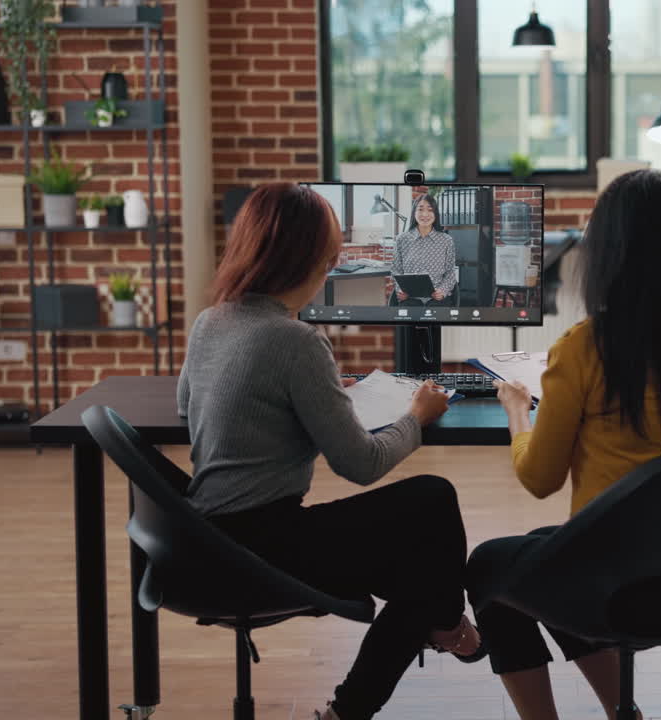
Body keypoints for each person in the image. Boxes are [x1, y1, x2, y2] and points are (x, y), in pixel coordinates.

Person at [176, 183, 484, 720]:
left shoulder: (211, 321)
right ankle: (441, 627)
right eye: (330, 252)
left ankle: (434, 628)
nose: (333, 261)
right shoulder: (294, 341)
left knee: (422, 572)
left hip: (203, 539)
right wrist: (417, 416)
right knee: (432, 501)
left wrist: (303, 399)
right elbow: (360, 465)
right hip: (264, 545)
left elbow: (187, 409)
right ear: (311, 259)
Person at [466, 170, 661, 720]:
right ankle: (623, 712)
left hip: (614, 583)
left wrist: (518, 411)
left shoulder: (583, 349)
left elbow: (540, 478)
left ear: (610, 255)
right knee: (551, 548)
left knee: (490, 570)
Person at [391, 193, 457, 306]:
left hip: (437, 299)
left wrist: (443, 291)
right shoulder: (402, 239)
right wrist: (400, 290)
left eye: (430, 210)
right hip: (410, 298)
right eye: (420, 209)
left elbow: (450, 273)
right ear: (414, 213)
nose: (425, 214)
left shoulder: (446, 240)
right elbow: (396, 270)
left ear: (435, 213)